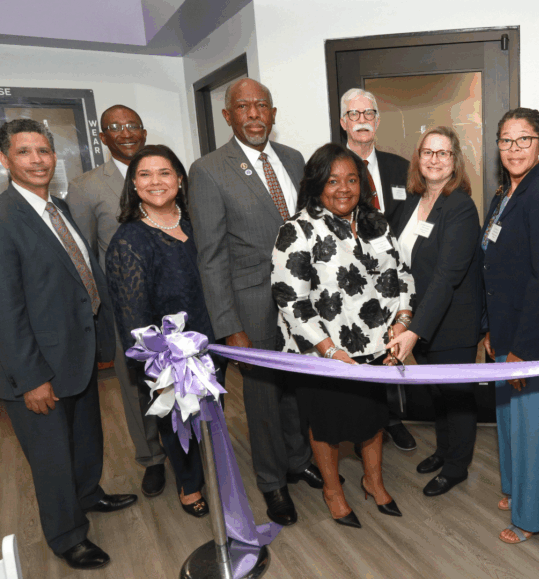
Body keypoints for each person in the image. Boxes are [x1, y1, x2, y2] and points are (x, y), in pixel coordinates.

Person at [0, 119, 136, 570]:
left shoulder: (56, 206)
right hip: (35, 368)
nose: (37, 160)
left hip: (73, 355)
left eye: (43, 151)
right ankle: (67, 536)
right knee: (51, 458)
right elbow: (4, 313)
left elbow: (79, 275)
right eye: (25, 152)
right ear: (4, 160)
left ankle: (88, 495)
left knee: (84, 439)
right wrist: (33, 378)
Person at [189, 78, 319, 527]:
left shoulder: (294, 159)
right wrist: (229, 326)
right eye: (243, 107)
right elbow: (210, 256)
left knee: (299, 390)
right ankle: (272, 483)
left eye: (261, 105)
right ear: (227, 116)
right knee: (262, 399)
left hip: (300, 303)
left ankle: (298, 460)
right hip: (251, 304)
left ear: (274, 112)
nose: (254, 114)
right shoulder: (208, 170)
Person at [270, 143, 416, 528]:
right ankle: (333, 491)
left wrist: (402, 320)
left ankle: (373, 481)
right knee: (328, 426)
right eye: (333, 180)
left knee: (373, 420)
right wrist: (330, 350)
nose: (344, 188)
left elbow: (403, 274)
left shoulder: (377, 223)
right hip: (325, 354)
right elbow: (291, 302)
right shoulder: (297, 230)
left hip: (377, 346)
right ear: (317, 184)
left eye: (352, 179)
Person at [481, 108, 539, 543]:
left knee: (534, 431)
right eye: (506, 140)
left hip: (536, 342)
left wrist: (524, 350)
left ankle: (531, 517)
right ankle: (517, 492)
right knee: (510, 423)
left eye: (524, 140)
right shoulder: (505, 195)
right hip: (506, 334)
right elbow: (493, 270)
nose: (514, 148)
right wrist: (490, 330)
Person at [104, 145, 215, 519]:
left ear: (179, 179)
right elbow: (133, 317)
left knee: (209, 418)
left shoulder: (196, 222)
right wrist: (161, 370)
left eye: (165, 173)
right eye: (145, 175)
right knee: (178, 421)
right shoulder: (129, 241)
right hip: (170, 357)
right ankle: (189, 485)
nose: (156, 182)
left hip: (213, 345)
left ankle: (212, 473)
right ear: (134, 185)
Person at [68, 105, 167, 497]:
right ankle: (152, 459)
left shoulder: (166, 172)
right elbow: (85, 254)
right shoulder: (87, 186)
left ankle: (191, 452)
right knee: (136, 388)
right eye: (115, 127)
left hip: (175, 303)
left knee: (183, 382)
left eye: (132, 125)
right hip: (125, 308)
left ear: (143, 131)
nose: (125, 132)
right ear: (102, 137)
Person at [387, 127, 483, 496]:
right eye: (428, 152)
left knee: (457, 398)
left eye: (443, 153)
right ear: (418, 158)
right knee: (438, 395)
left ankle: (458, 465)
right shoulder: (412, 203)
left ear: (455, 161)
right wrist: (403, 318)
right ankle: (444, 451)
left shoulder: (459, 206)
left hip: (451, 321)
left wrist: (413, 331)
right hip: (422, 317)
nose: (434, 159)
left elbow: (446, 277)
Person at [337, 87, 417, 452]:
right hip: (348, 280)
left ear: (377, 121)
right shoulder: (332, 168)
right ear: (343, 123)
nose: (362, 120)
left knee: (389, 347)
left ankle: (391, 418)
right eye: (354, 115)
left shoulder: (401, 167)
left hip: (391, 279)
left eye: (368, 113)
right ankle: (362, 423)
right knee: (357, 351)